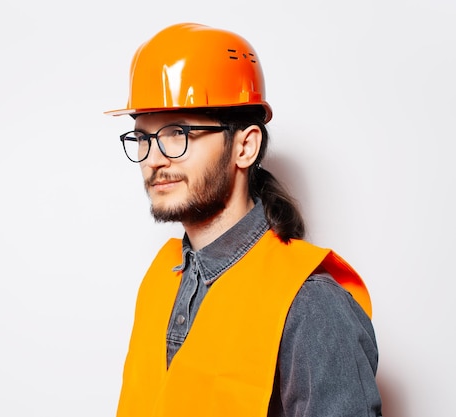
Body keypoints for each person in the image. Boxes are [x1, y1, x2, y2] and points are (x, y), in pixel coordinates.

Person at [105, 22, 382, 417]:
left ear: (245, 146)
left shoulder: (310, 304)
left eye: (177, 133)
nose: (153, 158)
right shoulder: (163, 279)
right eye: (143, 138)